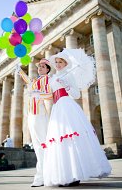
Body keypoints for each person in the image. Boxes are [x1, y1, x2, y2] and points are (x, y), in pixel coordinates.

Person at [42, 51, 112, 187]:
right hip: (57, 108)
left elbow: (76, 95)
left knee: (71, 138)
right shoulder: (53, 78)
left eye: (60, 62)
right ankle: (65, 174)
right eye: (56, 62)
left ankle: (75, 175)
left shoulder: (69, 76)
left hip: (67, 105)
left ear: (66, 63)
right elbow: (50, 95)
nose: (57, 64)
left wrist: (67, 85)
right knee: (59, 139)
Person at [17, 58, 52, 187]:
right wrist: (20, 71)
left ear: (48, 69)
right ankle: (42, 175)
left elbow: (50, 95)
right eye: (39, 66)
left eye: (43, 66)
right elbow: (28, 81)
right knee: (37, 146)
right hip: (32, 115)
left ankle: (43, 175)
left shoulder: (47, 79)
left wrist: (39, 95)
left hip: (39, 114)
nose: (40, 68)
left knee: (42, 144)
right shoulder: (36, 80)